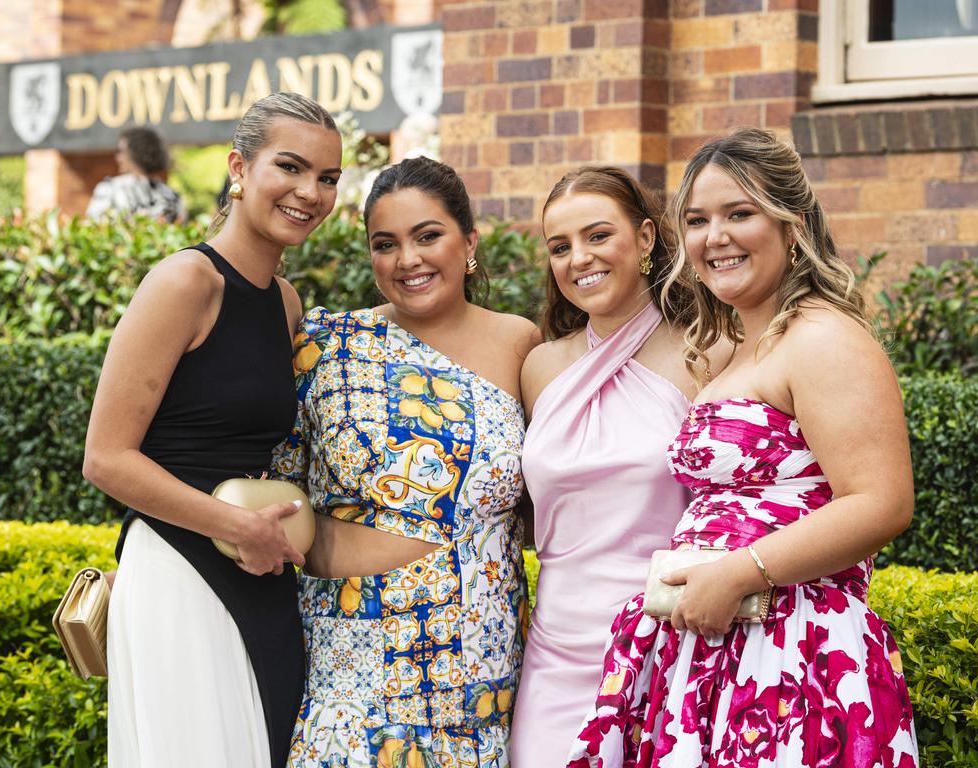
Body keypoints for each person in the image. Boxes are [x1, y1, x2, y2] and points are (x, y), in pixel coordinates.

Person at [568, 127, 918, 767]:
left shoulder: (823, 338)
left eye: (740, 213)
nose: (714, 237)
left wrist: (736, 573)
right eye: (697, 220)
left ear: (794, 224)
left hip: (795, 652)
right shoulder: (727, 352)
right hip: (712, 650)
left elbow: (882, 502)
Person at [82, 92, 342, 768]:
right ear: (238, 167)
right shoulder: (185, 282)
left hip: (259, 567)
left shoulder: (285, 302)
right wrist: (235, 528)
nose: (310, 192)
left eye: (328, 177)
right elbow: (107, 458)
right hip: (180, 568)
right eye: (290, 167)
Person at [270, 156, 539, 767]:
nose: (407, 260)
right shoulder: (327, 346)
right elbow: (273, 490)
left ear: (469, 241)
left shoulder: (520, 344)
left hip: (480, 670)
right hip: (350, 664)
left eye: (428, 236)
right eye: (385, 244)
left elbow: (558, 495)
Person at [510, 167, 704, 766]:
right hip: (553, 649)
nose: (578, 259)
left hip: (664, 641)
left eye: (598, 236)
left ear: (646, 239)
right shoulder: (540, 366)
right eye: (560, 247)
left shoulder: (706, 353)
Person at [86, 126, 185, 221]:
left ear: (135, 153)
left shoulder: (110, 189)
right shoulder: (171, 195)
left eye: (120, 151)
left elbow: (93, 226)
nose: (118, 157)